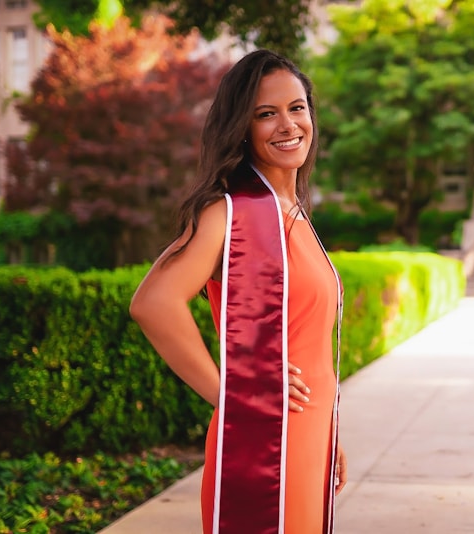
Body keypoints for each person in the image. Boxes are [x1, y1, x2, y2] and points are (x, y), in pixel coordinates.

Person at [130, 49, 347, 534]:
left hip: (310, 437)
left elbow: (310, 347)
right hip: (265, 442)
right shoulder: (229, 212)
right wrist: (230, 394)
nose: (288, 125)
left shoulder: (294, 214)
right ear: (242, 128)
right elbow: (154, 304)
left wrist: (330, 434)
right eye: (266, 114)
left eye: (296, 107)